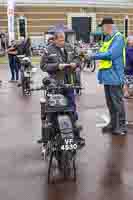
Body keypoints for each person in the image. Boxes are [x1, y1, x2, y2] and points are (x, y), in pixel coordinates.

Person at [40, 31, 85, 146]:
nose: (62, 42)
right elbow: (43, 66)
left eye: (63, 39)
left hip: (69, 83)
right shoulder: (48, 50)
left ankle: (75, 136)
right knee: (52, 111)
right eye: (60, 40)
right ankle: (49, 136)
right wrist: (57, 66)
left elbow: (78, 58)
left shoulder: (69, 47)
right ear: (54, 40)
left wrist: (75, 63)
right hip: (54, 85)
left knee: (71, 110)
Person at [89, 17, 127, 136]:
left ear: (108, 26)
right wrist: (94, 54)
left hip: (115, 76)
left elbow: (111, 54)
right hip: (107, 76)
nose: (102, 29)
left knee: (117, 103)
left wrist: (93, 56)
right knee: (110, 103)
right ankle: (113, 124)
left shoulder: (118, 38)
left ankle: (120, 126)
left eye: (102, 27)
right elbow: (102, 52)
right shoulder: (107, 38)